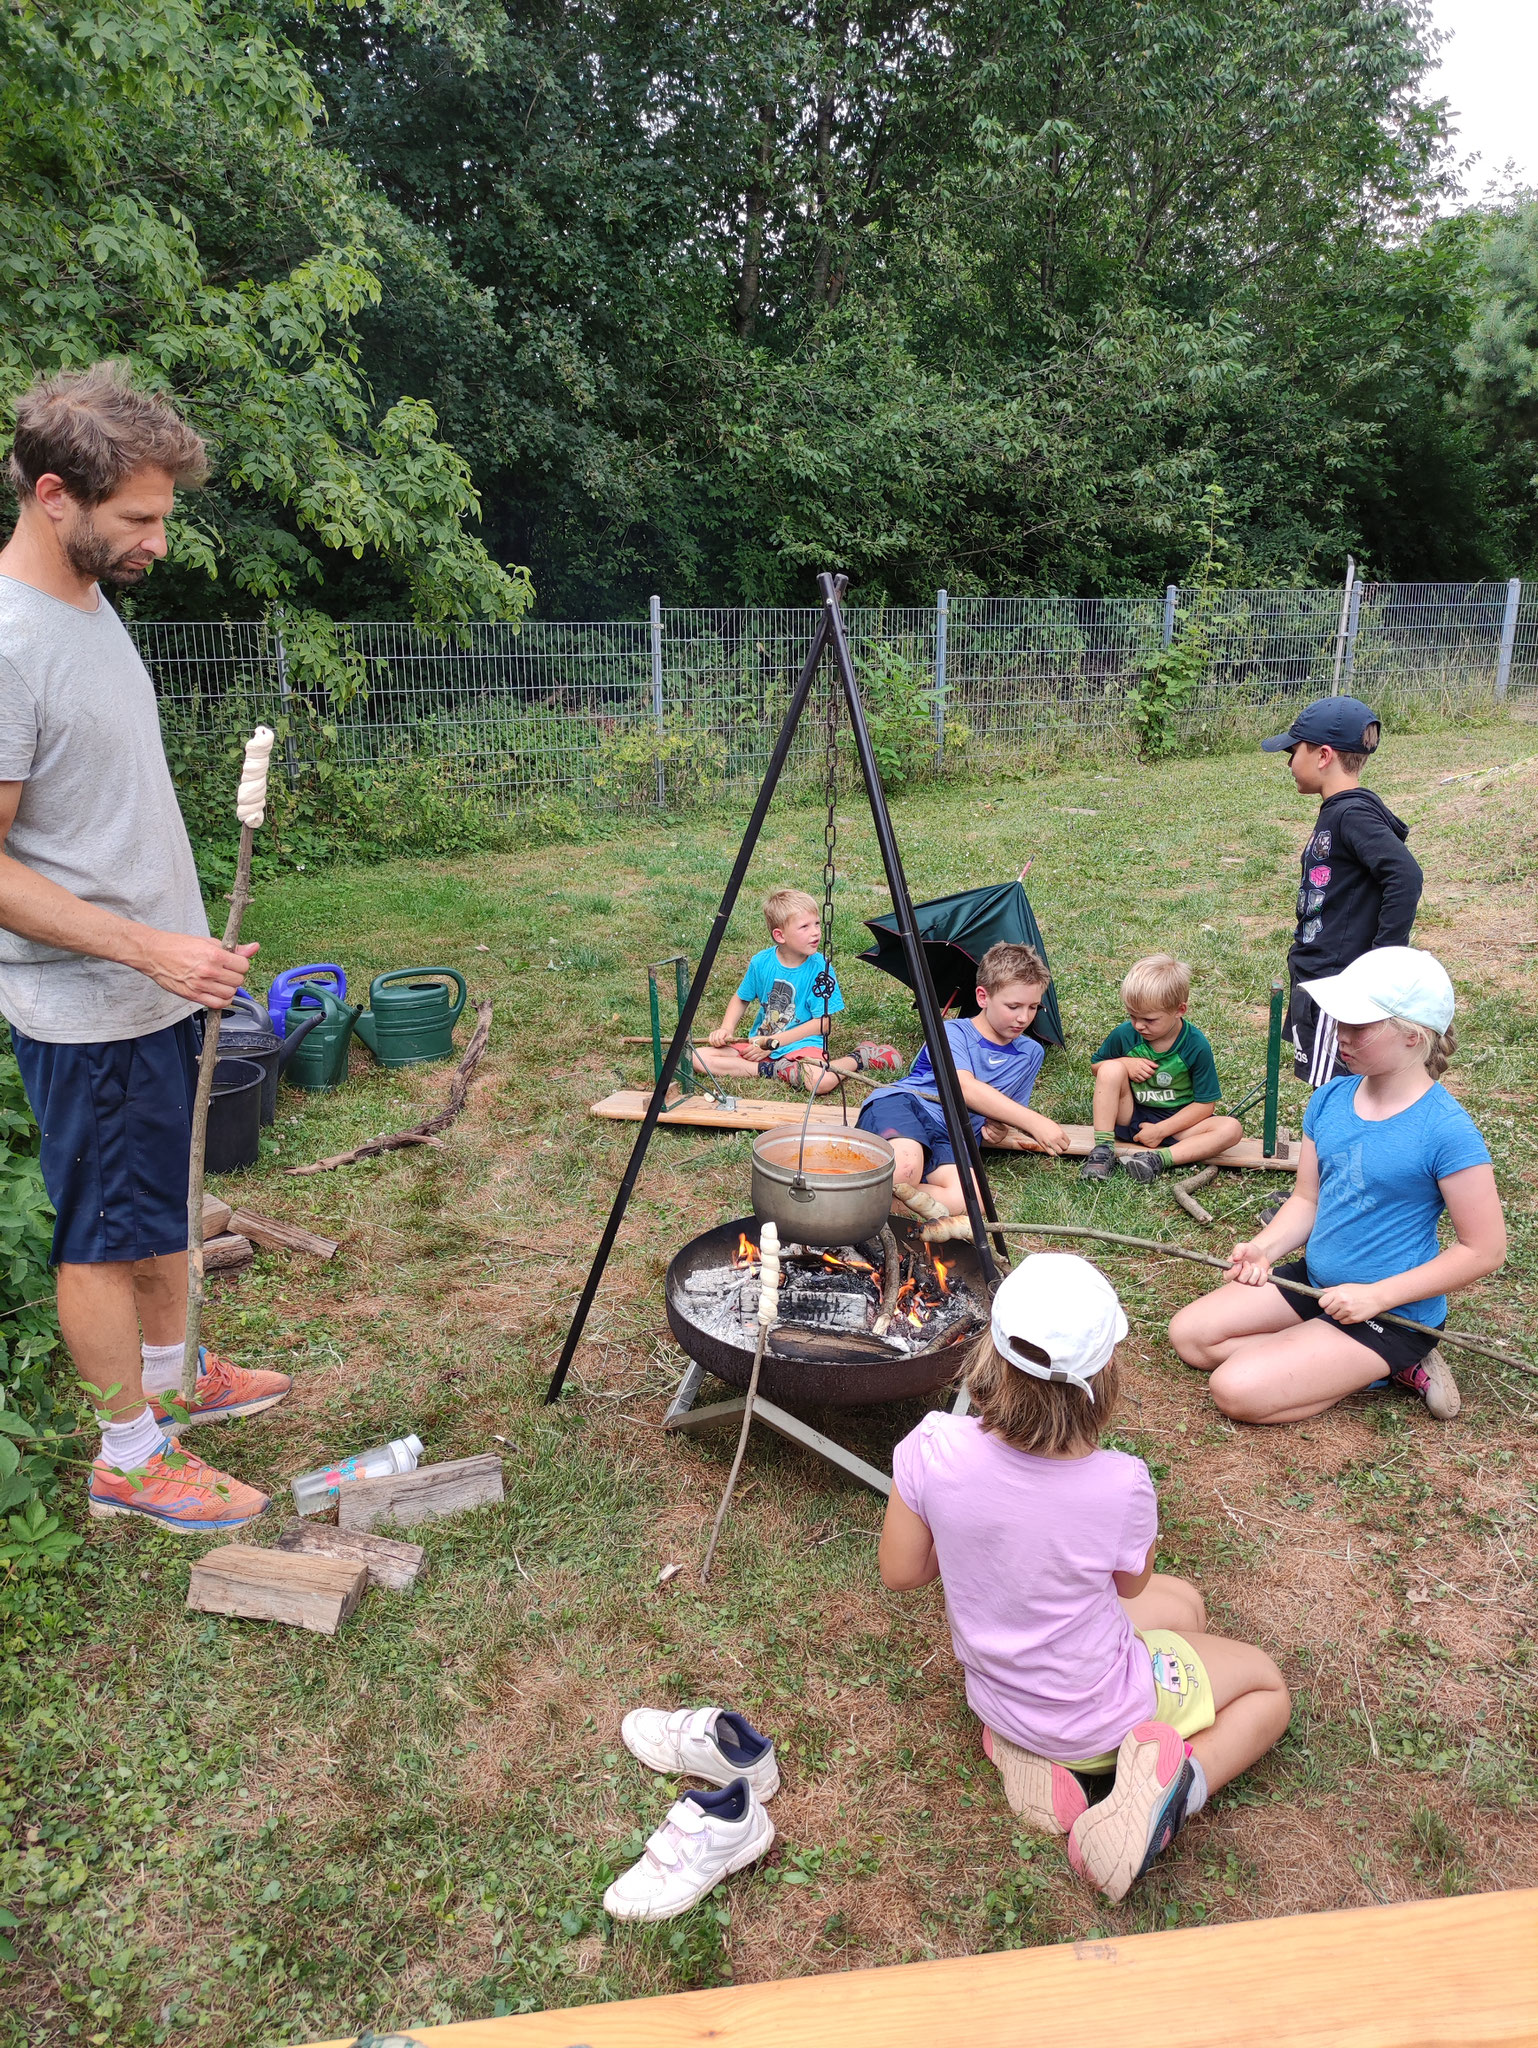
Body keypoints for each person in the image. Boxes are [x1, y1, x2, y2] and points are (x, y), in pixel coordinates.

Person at [0, 362, 291, 1534]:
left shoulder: (85, 601)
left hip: (156, 985)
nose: (160, 542)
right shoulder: (10, 642)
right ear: (55, 493)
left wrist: (174, 949)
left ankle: (176, 1378)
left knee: (162, 1202)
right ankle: (128, 1456)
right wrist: (147, 950)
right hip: (94, 1006)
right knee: (101, 1231)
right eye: (142, 518)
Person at [880, 1254, 1290, 1903]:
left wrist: (966, 1535)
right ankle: (1171, 1794)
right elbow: (1128, 1587)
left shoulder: (932, 1447)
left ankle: (1031, 1756)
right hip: (1101, 1712)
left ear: (990, 1351)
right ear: (1103, 1376)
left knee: (1184, 1606)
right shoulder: (1121, 1485)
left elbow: (902, 1572)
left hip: (1001, 1696)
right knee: (1267, 1686)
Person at [1168, 947, 1504, 1425]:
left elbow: (1483, 1250)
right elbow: (1307, 1198)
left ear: (1413, 1036)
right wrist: (1265, 1248)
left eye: (1358, 1026)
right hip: (1319, 1285)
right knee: (1191, 1336)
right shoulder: (1329, 1098)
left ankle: (1394, 1361)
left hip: (1388, 1312)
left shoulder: (1447, 1131)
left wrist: (1378, 1297)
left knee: (1234, 1388)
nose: (1340, 1035)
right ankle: (1325, 1354)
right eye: (1339, 1020)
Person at [1261, 695, 1422, 1087]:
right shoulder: (1342, 810)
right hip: (1322, 978)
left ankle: (1337, 1149)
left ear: (1323, 755)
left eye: (1293, 750)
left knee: (1335, 1090)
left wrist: (1382, 960)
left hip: (1336, 985)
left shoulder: (1351, 813)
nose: (1288, 762)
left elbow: (1405, 875)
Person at [857, 942, 1070, 1218]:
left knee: (972, 1201)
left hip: (953, 1135)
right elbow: (964, 1088)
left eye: (1033, 1007)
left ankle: (865, 1198)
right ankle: (873, 1191)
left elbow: (1008, 1109)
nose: (1023, 1017)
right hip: (907, 1107)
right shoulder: (951, 1032)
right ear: (983, 996)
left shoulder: (1031, 1053)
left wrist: (1000, 1127)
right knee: (905, 1170)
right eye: (1014, 1006)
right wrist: (1035, 1121)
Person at [694, 887, 897, 1095]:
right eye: (805, 927)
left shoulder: (820, 968)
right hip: (760, 1043)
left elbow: (823, 1023)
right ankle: (774, 1070)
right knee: (698, 1058)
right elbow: (740, 998)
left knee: (818, 1082)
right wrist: (726, 1029)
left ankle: (860, 1056)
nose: (816, 932)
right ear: (780, 936)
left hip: (800, 1045)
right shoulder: (761, 962)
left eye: (817, 923)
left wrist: (773, 1043)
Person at [1079, 954, 1241, 1184]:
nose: (1138, 1025)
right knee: (1110, 1069)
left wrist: (1161, 1131)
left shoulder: (1196, 1045)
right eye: (1132, 1016)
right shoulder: (1125, 1034)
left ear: (1180, 1009)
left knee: (1231, 1128)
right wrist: (1123, 1063)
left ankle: (1156, 1159)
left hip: (1177, 1123)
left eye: (1149, 1019)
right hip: (1131, 1114)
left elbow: (1205, 1104)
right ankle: (1103, 1150)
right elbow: (1097, 1067)